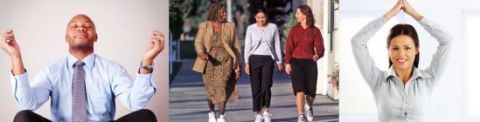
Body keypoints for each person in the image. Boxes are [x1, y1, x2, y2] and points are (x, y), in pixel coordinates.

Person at [0, 14, 164, 122]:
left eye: (88, 26)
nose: (81, 28)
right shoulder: (51, 71)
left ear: (96, 37)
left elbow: (135, 103)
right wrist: (16, 57)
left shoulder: (113, 69)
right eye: (74, 26)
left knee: (145, 117)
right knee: (22, 117)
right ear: (66, 37)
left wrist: (147, 60)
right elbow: (27, 105)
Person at [351, 0, 451, 121]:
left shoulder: (428, 79)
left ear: (417, 49)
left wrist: (415, 14)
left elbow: (447, 41)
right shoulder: (378, 80)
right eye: (395, 48)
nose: (401, 54)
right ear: (389, 50)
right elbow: (357, 42)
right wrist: (388, 15)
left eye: (407, 48)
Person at [191, 2, 241, 122]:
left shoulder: (230, 26)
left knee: (222, 87)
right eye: (222, 12)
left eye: (224, 12)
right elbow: (198, 42)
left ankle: (221, 117)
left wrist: (237, 65)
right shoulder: (205, 25)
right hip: (209, 61)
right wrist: (202, 53)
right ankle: (211, 112)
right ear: (215, 13)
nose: (224, 14)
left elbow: (236, 46)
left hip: (225, 61)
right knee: (211, 89)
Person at [284, 5, 325, 122]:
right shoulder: (294, 30)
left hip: (310, 62)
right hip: (296, 62)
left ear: (305, 14)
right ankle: (300, 115)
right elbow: (288, 48)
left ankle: (309, 106)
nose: (296, 15)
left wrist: (318, 54)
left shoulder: (315, 31)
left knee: (311, 91)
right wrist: (287, 62)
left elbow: (320, 47)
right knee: (299, 89)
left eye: (298, 13)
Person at [244, 8, 283, 122]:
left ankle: (266, 111)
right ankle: (258, 113)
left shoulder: (273, 28)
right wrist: (246, 62)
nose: (261, 20)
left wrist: (279, 61)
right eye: (258, 18)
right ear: (255, 18)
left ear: (267, 17)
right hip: (254, 59)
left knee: (266, 86)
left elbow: (277, 44)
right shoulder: (250, 29)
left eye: (263, 17)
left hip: (268, 59)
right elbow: (247, 46)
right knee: (256, 87)